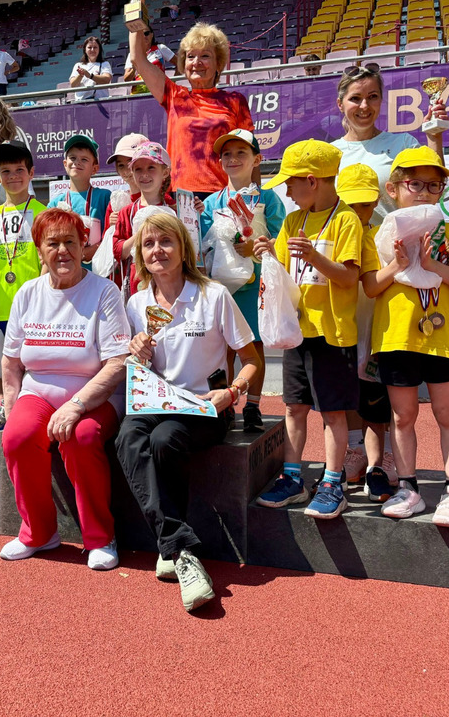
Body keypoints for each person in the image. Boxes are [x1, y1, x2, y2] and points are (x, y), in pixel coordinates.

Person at [119, 211, 259, 611]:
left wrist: (232, 393)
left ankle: (172, 550)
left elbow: (251, 359)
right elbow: (139, 369)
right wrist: (138, 354)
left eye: (166, 242)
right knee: (128, 436)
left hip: (205, 405)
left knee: (164, 440)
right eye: (148, 244)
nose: (157, 250)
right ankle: (181, 551)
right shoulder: (136, 303)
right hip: (155, 401)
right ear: (140, 256)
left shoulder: (213, 295)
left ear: (183, 248)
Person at [0, 209, 131, 570]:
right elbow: (11, 363)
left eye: (70, 242)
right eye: (52, 243)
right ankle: (38, 533)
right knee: (17, 438)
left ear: (84, 246)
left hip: (94, 395)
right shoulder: (27, 293)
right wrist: (14, 414)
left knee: (82, 437)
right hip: (38, 391)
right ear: (39, 250)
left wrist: (75, 406)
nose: (62, 251)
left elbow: (118, 363)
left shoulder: (104, 292)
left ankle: (100, 538)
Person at [365, 147, 449, 526]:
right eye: (414, 183)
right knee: (403, 417)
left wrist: (433, 264)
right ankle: (409, 488)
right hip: (395, 338)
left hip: (441, 338)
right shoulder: (380, 236)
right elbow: (370, 287)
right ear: (393, 188)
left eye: (434, 185)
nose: (424, 192)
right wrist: (398, 265)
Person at [253, 140, 362, 519]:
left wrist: (317, 257)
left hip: (332, 334)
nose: (285, 190)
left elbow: (350, 278)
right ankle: (293, 476)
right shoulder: (291, 221)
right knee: (294, 407)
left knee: (333, 412)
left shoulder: (346, 219)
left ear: (312, 181)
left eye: (291, 183)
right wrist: (267, 253)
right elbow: (284, 272)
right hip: (295, 332)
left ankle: (333, 482)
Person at [125, 0, 252, 196]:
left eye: (205, 56)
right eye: (190, 56)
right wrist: (137, 1)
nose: (196, 62)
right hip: (181, 197)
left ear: (218, 63)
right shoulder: (174, 95)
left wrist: (255, 200)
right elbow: (137, 58)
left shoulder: (235, 101)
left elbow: (250, 155)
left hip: (224, 198)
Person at [200, 129, 284, 432]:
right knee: (222, 350)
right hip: (220, 289)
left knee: (254, 346)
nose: (233, 159)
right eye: (227, 154)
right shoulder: (210, 203)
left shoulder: (269, 199)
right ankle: (223, 405)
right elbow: (203, 246)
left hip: (254, 288)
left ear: (256, 159)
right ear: (220, 161)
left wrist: (257, 248)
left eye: (241, 153)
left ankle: (253, 406)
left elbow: (280, 239)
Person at [336, 164, 398, 501]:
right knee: (346, 393)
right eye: (350, 203)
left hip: (376, 325)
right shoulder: (332, 233)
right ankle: (355, 450)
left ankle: (383, 456)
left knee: (377, 394)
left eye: (364, 203)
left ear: (376, 200)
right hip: (343, 325)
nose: (359, 210)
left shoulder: (384, 234)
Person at [0, 141, 47, 430]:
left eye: (19, 170)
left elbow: (46, 261)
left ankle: (30, 419)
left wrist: (44, 298)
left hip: (32, 306)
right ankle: (8, 415)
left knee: (31, 365)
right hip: (0, 306)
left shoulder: (42, 212)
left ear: (31, 173)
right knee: (2, 366)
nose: (13, 176)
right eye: (5, 171)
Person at [331, 63, 448, 192]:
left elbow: (434, 191)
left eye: (372, 97)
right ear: (340, 104)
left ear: (381, 100)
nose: (364, 106)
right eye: (355, 98)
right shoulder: (329, 153)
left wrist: (434, 138)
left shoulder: (403, 144)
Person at [113, 141, 173, 291]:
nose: (144, 174)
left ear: (165, 172)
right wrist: (141, 234)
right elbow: (118, 252)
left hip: (171, 284)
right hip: (137, 286)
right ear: (132, 173)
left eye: (151, 167)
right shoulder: (127, 212)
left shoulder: (174, 210)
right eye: (138, 169)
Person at [48, 135, 108, 265]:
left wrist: (91, 250)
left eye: (84, 159)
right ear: (65, 164)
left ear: (95, 168)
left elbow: (111, 236)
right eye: (73, 158)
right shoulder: (55, 204)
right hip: (65, 273)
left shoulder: (104, 197)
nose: (77, 162)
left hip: (98, 274)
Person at [122, 24, 175, 95]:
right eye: (142, 34)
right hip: (138, 95)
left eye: (146, 33)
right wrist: (134, 68)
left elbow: (179, 63)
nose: (144, 36)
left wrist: (174, 81)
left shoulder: (160, 48)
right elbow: (126, 79)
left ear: (152, 34)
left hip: (158, 92)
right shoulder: (133, 54)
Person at [69, 36, 113, 101]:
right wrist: (80, 75)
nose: (92, 50)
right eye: (89, 47)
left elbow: (106, 80)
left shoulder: (105, 64)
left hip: (101, 101)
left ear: (99, 49)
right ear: (85, 49)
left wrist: (90, 76)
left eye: (95, 47)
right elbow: (73, 84)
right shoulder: (78, 65)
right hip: (81, 102)